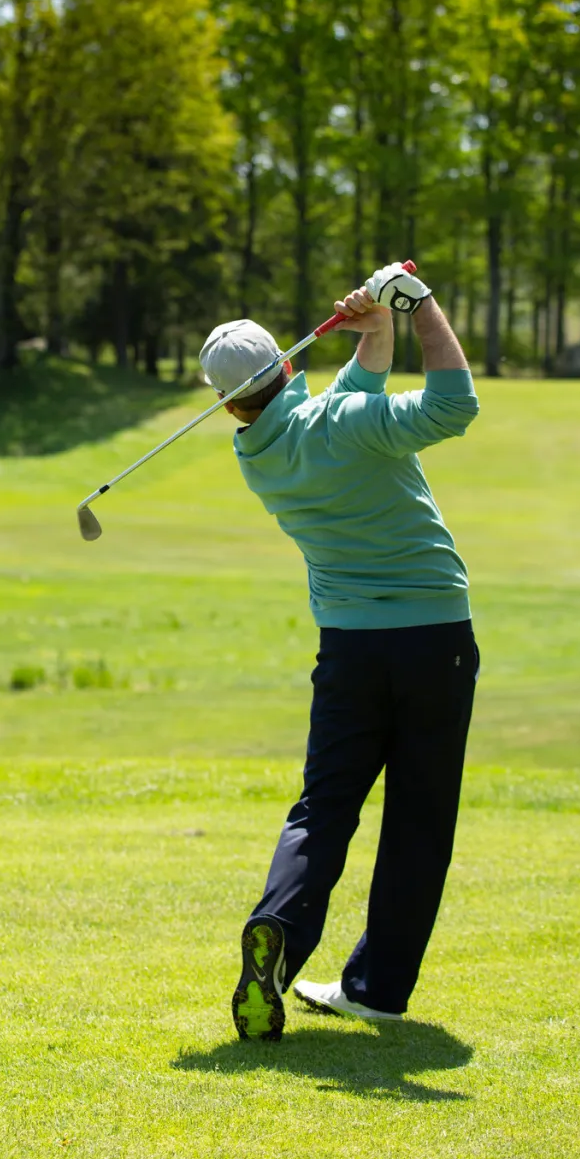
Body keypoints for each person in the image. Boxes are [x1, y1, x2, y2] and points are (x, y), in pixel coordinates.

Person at [200, 264, 480, 1037]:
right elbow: (457, 405)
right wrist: (419, 306)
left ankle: (279, 934)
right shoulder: (348, 424)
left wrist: (376, 330)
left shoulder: (258, 453)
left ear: (227, 403)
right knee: (419, 818)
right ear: (289, 367)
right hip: (434, 643)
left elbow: (347, 402)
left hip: (350, 652)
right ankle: (377, 988)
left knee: (323, 808)